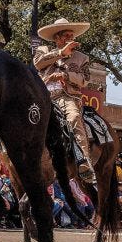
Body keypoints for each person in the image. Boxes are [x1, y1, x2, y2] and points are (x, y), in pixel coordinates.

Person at [34, 17, 95, 182]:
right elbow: (37, 64)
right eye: (66, 35)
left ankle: (84, 162)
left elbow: (85, 79)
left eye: (71, 35)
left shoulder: (82, 58)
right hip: (42, 97)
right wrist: (60, 53)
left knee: (74, 117)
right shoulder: (43, 50)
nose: (70, 38)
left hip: (67, 97)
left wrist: (65, 75)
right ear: (57, 38)